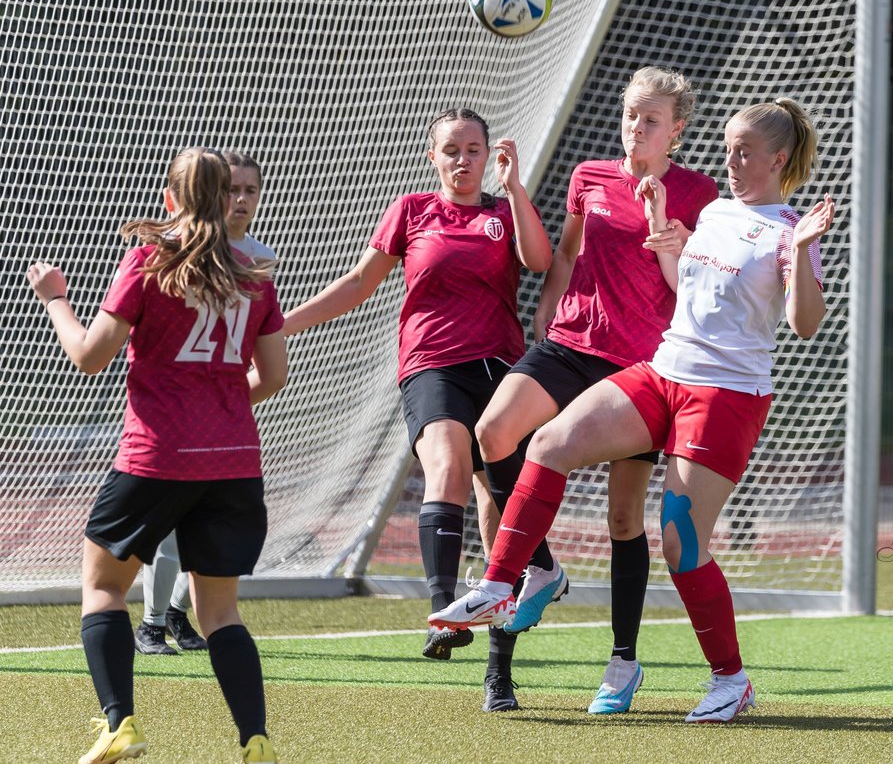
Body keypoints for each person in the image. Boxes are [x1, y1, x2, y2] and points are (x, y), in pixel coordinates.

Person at [430, 99, 836, 724]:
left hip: (726, 395)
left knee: (682, 546)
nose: (729, 159)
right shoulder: (717, 211)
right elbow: (688, 293)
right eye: (727, 146)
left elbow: (803, 323)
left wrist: (804, 251)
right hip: (663, 371)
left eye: (744, 151)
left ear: (778, 159)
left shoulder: (789, 228)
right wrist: (667, 235)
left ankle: (731, 679)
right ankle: (500, 584)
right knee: (547, 444)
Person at [281, 109, 552, 712]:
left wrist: (514, 186)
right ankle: (442, 613)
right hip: (431, 366)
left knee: (497, 507)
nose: (463, 159)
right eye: (451, 149)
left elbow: (538, 261)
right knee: (448, 465)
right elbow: (359, 282)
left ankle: (498, 670)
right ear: (433, 157)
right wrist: (282, 324)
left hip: (501, 370)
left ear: (490, 155)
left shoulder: (504, 213)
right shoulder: (411, 211)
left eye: (474, 149)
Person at [27, 147, 288, 762]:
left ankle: (120, 725)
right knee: (220, 612)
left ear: (170, 200)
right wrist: (219, 403)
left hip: (157, 456)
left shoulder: (148, 262)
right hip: (233, 462)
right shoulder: (254, 275)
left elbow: (90, 356)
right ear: (227, 198)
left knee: (102, 586)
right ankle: (255, 742)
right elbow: (273, 377)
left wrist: (54, 298)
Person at [472, 65, 718, 715]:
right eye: (632, 112)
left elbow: (693, 282)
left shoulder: (699, 191)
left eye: (652, 118)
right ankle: (543, 570)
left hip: (642, 367)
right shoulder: (589, 177)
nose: (637, 125)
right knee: (493, 432)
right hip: (569, 345)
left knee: (621, 518)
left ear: (677, 131)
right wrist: (547, 311)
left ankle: (623, 661)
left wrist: (670, 228)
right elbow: (566, 256)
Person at [135, 149, 275, 657]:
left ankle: (171, 611)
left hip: (224, 425)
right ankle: (150, 623)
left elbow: (271, 368)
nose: (239, 200)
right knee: (167, 529)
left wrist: (227, 407)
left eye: (249, 191)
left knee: (210, 531)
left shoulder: (260, 261)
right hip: (170, 421)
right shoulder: (167, 254)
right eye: (229, 189)